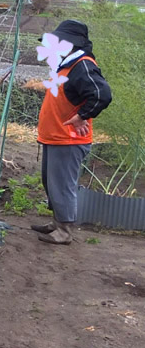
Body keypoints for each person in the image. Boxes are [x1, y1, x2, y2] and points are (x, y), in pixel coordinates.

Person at [31, 20, 111, 245]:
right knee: (52, 183)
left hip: (68, 139)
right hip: (56, 136)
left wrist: (82, 116)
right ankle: (57, 222)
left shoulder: (82, 65)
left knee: (63, 184)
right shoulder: (67, 65)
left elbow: (102, 94)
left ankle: (64, 231)